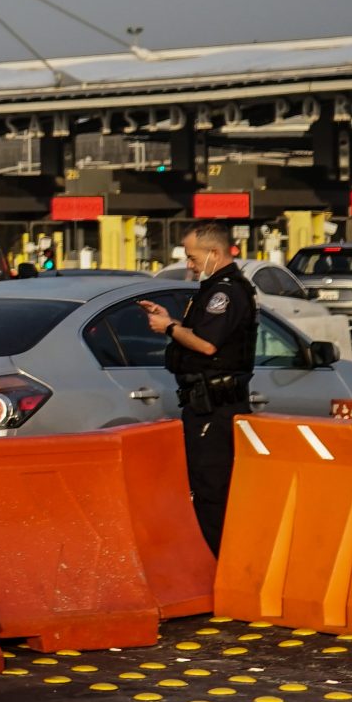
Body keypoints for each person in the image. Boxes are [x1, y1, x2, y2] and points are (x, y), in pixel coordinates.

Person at [139, 223, 256, 553]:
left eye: (193, 257)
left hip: (215, 406)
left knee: (211, 491)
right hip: (203, 404)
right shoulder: (213, 288)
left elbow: (207, 344)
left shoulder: (225, 292)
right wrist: (171, 322)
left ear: (214, 253)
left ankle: (219, 561)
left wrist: (169, 327)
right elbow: (201, 335)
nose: (189, 265)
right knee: (204, 488)